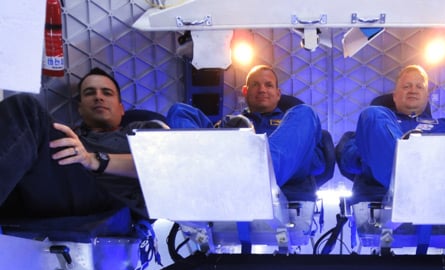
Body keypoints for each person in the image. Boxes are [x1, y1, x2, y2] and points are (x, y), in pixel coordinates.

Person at [0, 67, 164, 219]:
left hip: (113, 207)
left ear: (121, 108)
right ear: (80, 108)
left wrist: (94, 159)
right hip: (50, 191)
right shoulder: (70, 135)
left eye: (107, 93)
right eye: (89, 93)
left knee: (27, 110)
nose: (98, 97)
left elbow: (170, 164)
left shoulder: (141, 129)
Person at [166, 64, 333, 190]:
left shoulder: (294, 124)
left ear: (278, 93)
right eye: (255, 85)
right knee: (180, 111)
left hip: (276, 174)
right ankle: (200, 172)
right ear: (245, 91)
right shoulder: (231, 122)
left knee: (305, 111)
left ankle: (264, 169)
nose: (261, 90)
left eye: (268, 85)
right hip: (229, 170)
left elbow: (318, 164)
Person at [336, 64, 445, 194]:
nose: (413, 90)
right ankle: (404, 169)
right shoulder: (378, 122)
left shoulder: (443, 125)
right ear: (395, 95)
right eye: (406, 86)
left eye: (419, 87)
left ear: (427, 96)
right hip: (394, 187)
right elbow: (349, 161)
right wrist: (372, 152)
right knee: (372, 113)